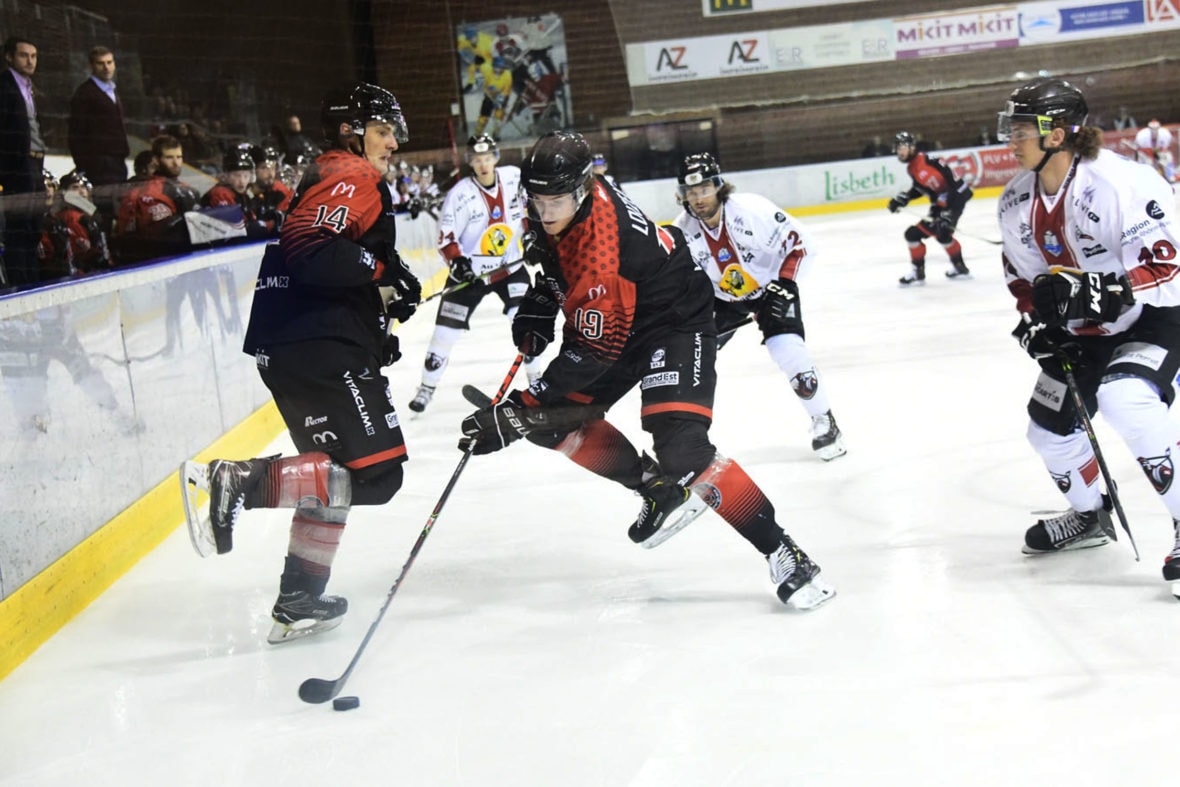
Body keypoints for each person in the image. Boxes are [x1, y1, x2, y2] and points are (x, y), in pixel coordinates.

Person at [458, 131, 835, 611]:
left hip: (673, 320)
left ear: (579, 191)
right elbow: (558, 264)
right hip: (623, 313)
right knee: (549, 427)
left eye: (554, 201)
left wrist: (523, 407)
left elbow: (593, 352)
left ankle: (785, 552)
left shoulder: (602, 255)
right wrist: (540, 299)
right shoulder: (573, 198)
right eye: (536, 199)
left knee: (681, 447)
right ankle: (655, 490)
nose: (544, 211)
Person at [179, 82, 423, 644]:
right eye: (383, 131)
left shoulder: (329, 172)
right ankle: (236, 481)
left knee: (331, 471)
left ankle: (299, 599)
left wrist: (375, 315)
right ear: (350, 130)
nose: (392, 144)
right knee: (379, 476)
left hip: (294, 342)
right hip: (318, 345)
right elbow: (311, 249)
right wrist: (382, 276)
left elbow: (325, 256)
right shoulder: (354, 173)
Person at [995, 77, 1180, 593]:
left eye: (1022, 128)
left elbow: (1167, 266)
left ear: (1057, 134)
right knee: (1047, 430)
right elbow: (1022, 278)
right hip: (1085, 333)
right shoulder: (1014, 203)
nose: (1011, 138)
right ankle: (1091, 515)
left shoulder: (1123, 183)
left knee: (1127, 400)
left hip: (1157, 318)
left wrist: (1113, 290)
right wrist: (1035, 320)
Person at [671, 153, 846, 461]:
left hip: (771, 290)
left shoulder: (753, 210)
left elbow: (800, 246)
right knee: (687, 356)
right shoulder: (682, 230)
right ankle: (686, 438)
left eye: (705, 189)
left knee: (788, 349)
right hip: (722, 299)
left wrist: (786, 284)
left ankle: (824, 420)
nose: (698, 198)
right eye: (691, 192)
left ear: (719, 186)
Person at [407, 134, 541, 412]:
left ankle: (537, 381)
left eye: (487, 158)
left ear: (496, 157)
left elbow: (531, 210)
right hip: (471, 276)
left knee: (528, 324)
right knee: (444, 334)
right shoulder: (460, 194)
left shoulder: (514, 178)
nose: (483, 164)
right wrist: (458, 263)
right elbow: (446, 238)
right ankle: (426, 387)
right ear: (470, 162)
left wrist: (531, 238)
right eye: (477, 159)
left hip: (510, 269)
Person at [887, 130, 973, 286]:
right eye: (898, 148)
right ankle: (960, 267)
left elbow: (957, 187)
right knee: (943, 236)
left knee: (913, 235)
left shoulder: (929, 162)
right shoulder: (912, 167)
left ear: (912, 147)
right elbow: (922, 188)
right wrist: (904, 199)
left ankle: (918, 273)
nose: (899, 151)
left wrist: (950, 212)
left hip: (953, 202)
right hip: (941, 205)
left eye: (902, 147)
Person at [0, 36, 48, 286]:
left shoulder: (30, 88)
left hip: (35, 166)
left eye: (34, 56)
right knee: (19, 231)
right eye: (23, 55)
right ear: (9, 56)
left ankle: (33, 283)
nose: (30, 61)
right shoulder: (5, 87)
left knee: (33, 228)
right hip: (17, 168)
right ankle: (21, 287)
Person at [112, 134, 199, 263]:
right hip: (157, 262)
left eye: (179, 157)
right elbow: (159, 236)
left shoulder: (188, 190)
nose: (176, 163)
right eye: (169, 157)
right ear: (156, 160)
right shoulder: (150, 191)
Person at [67, 46, 130, 188]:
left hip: (118, 162)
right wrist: (84, 166)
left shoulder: (112, 91)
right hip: (99, 166)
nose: (106, 67)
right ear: (91, 66)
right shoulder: (84, 94)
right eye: (101, 63)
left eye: (109, 62)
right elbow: (76, 133)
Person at [37, 169, 111, 278]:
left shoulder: (93, 214)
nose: (81, 192)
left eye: (83, 187)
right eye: (75, 188)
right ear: (64, 193)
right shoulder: (71, 217)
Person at [201, 145, 275, 239]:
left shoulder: (243, 195)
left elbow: (252, 220)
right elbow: (239, 229)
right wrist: (269, 225)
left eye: (245, 176)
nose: (242, 181)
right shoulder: (220, 193)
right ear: (226, 175)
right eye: (237, 175)